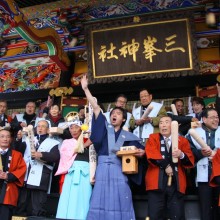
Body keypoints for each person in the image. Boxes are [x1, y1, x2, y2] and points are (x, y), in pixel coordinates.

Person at [81, 75, 145, 220]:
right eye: (113, 113)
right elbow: (96, 107)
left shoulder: (129, 136)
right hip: (102, 168)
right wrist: (86, 89)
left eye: (118, 114)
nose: (114, 115)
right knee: (100, 195)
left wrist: (141, 153)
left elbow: (140, 150)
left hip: (119, 169)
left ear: (123, 119)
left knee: (121, 195)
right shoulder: (104, 128)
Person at [145, 116, 194, 220]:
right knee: (154, 214)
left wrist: (181, 155)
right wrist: (166, 165)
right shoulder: (153, 138)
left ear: (173, 126)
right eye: (161, 123)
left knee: (176, 214)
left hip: (176, 183)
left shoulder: (182, 141)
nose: (163, 125)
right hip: (156, 182)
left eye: (167, 122)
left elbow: (189, 159)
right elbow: (151, 153)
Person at [15, 119, 60, 217]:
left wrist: (41, 154)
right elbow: (17, 151)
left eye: (43, 126)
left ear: (48, 130)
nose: (40, 128)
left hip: (40, 178)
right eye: (38, 126)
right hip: (25, 176)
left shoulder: (53, 142)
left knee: (38, 207)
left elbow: (55, 157)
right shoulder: (27, 139)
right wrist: (18, 139)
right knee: (21, 205)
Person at [187, 108, 220, 220]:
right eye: (212, 117)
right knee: (205, 209)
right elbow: (188, 153)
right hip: (203, 176)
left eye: (217, 117)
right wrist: (200, 153)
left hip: (219, 175)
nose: (216, 120)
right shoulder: (194, 133)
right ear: (204, 119)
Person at [56, 119, 92, 219]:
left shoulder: (88, 140)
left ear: (81, 129)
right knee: (69, 197)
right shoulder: (67, 142)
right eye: (71, 128)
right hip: (72, 173)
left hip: (86, 173)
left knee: (83, 197)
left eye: (76, 127)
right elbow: (68, 154)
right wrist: (84, 145)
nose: (74, 130)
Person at [0, 129, 26, 220]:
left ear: (11, 139)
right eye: (2, 136)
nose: (5, 139)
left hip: (8, 191)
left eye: (7, 136)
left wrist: (8, 176)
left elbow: (22, 170)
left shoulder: (17, 155)